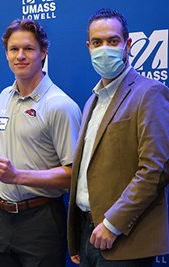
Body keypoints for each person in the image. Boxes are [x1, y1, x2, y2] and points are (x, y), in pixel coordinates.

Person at [67, 8, 169, 267]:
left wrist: (112, 224)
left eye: (113, 41)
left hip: (124, 239)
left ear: (128, 44)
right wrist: (78, 235)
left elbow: (154, 170)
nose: (105, 49)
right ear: (88, 47)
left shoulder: (150, 93)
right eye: (97, 43)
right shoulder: (91, 101)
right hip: (87, 235)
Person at [0, 19, 82, 267]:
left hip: (40, 219)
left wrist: (17, 176)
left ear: (43, 52)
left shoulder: (60, 105)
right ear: (6, 54)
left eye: (28, 48)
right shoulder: (4, 96)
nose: (20, 56)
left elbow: (72, 175)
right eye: (14, 49)